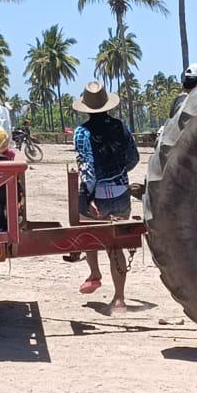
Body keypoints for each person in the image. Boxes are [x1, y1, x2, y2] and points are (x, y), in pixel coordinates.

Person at [71, 80, 138, 313]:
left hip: (97, 195)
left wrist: (87, 196)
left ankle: (94, 273)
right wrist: (118, 176)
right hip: (121, 192)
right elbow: (133, 158)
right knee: (115, 246)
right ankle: (119, 299)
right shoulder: (121, 127)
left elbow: (87, 168)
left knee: (89, 233)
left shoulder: (82, 132)